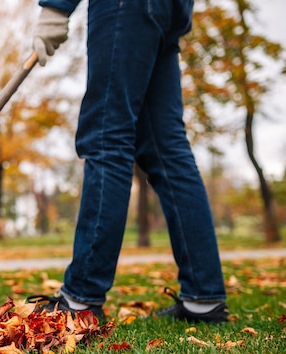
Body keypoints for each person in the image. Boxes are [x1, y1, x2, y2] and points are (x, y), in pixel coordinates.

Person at [27, 0, 229, 323]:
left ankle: (81, 297)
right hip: (169, 10)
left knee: (107, 135)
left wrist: (56, 7)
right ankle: (203, 298)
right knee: (167, 147)